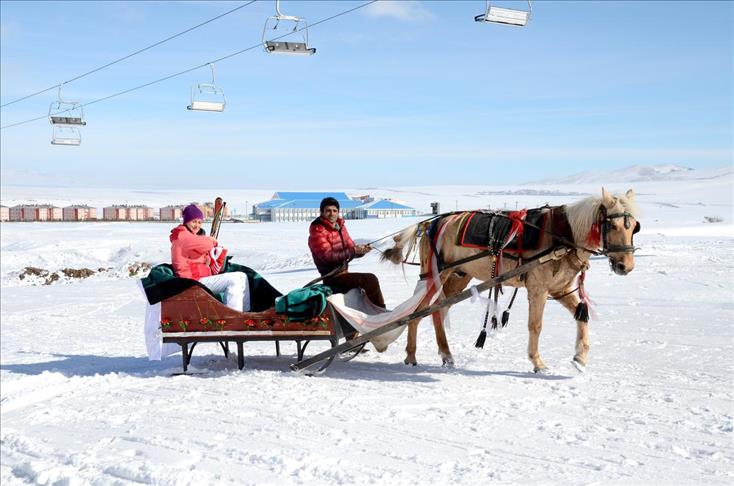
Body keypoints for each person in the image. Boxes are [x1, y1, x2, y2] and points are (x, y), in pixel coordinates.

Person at [170, 204, 250, 312]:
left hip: (198, 279)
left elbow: (197, 250)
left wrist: (206, 258)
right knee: (234, 279)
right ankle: (233, 313)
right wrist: (211, 240)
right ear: (186, 221)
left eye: (199, 222)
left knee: (242, 276)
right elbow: (207, 244)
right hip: (192, 282)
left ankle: (245, 313)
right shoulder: (182, 235)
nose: (197, 225)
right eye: (194, 221)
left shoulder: (188, 235)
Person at [308, 197, 385, 309]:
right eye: (328, 210)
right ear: (321, 212)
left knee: (368, 282)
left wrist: (361, 251)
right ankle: (380, 312)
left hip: (344, 273)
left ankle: (373, 312)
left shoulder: (340, 227)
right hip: (331, 277)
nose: (332, 214)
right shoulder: (317, 231)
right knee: (370, 279)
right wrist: (354, 250)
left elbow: (350, 248)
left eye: (334, 211)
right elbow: (328, 256)